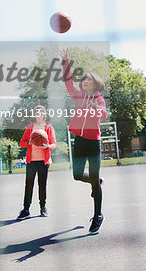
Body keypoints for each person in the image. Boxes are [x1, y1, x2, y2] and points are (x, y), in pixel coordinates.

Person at [60, 48, 107, 234]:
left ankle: (98, 216)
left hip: (93, 143)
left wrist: (96, 108)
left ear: (95, 84)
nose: (85, 81)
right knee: (77, 175)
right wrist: (66, 63)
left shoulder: (99, 99)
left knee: (94, 181)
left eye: (89, 79)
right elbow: (68, 82)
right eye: (84, 79)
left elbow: (103, 114)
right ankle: (96, 181)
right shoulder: (78, 95)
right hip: (79, 141)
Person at [17, 105, 56, 219]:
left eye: (39, 112)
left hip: (43, 161)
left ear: (44, 114)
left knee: (42, 185)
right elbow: (22, 143)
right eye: (35, 112)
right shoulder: (30, 127)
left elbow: (54, 144)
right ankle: (26, 210)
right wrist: (28, 142)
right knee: (28, 185)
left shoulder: (48, 127)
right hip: (31, 161)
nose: (37, 114)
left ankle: (43, 208)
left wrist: (47, 146)